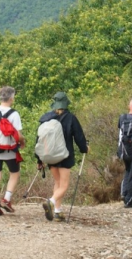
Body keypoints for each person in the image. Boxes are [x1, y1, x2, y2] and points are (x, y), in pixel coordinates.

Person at [36, 91, 88, 222]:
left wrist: (39, 159)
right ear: (65, 104)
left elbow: (39, 140)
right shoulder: (70, 118)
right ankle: (51, 201)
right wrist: (85, 149)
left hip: (50, 156)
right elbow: (79, 137)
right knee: (64, 185)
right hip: (65, 156)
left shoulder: (46, 118)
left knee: (57, 182)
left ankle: (58, 212)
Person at [0, 86, 25, 216]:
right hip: (9, 150)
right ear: (11, 98)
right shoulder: (14, 114)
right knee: (14, 174)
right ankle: (7, 199)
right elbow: (18, 135)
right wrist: (23, 141)